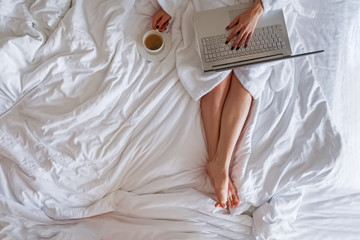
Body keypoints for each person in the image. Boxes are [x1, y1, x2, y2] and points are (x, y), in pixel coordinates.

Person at [152, 0, 265, 209]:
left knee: (247, 77)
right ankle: (218, 163)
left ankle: (220, 162)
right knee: (216, 68)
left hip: (258, 8)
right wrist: (172, 5)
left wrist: (257, 9)